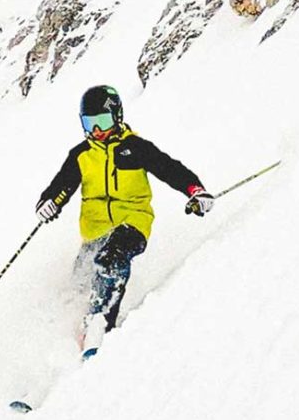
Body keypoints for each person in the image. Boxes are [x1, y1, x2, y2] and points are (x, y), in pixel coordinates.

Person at [36, 85, 213, 358]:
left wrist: (195, 191)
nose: (97, 131)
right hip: (95, 232)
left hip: (133, 222)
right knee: (77, 287)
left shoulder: (136, 148)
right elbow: (61, 186)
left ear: (117, 117)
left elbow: (170, 169)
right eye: (90, 124)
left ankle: (99, 326)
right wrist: (49, 203)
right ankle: (60, 345)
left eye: (103, 122)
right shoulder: (81, 155)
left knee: (110, 259)